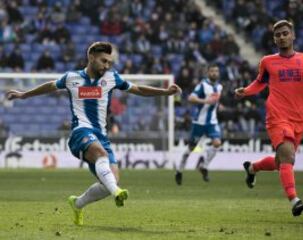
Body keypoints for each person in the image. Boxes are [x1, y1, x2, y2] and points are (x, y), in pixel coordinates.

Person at [7, 42, 181, 225]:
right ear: (91, 57)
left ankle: (78, 203)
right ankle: (117, 193)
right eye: (103, 61)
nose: (106, 66)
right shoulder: (71, 78)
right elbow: (50, 86)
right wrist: (24, 94)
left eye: (109, 63)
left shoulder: (112, 78)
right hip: (79, 132)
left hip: (101, 136)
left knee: (110, 180)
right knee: (102, 157)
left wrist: (165, 92)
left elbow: (138, 89)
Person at [235, 20, 303, 217]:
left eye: (285, 33)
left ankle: (252, 168)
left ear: (293, 35)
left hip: (299, 119)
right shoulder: (267, 61)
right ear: (274, 39)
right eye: (278, 35)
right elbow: (259, 83)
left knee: (280, 163)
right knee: (288, 156)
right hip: (277, 115)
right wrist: (245, 91)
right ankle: (295, 201)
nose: (282, 37)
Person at [175, 64, 222, 185]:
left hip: (212, 122)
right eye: (212, 71)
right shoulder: (202, 85)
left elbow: (215, 103)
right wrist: (205, 101)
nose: (214, 73)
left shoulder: (220, 87)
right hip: (199, 123)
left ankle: (203, 166)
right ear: (208, 73)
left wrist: (218, 106)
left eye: (216, 71)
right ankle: (179, 171)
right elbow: (191, 98)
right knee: (190, 149)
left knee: (217, 143)